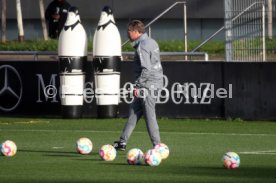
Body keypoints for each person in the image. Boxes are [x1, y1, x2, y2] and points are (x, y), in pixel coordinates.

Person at [114, 20, 164, 151]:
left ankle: (157, 146)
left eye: (129, 31)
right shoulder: (152, 42)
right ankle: (122, 142)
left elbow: (146, 69)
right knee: (134, 112)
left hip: (148, 86)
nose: (127, 34)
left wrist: (138, 86)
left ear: (136, 32)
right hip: (154, 82)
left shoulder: (143, 45)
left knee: (149, 116)